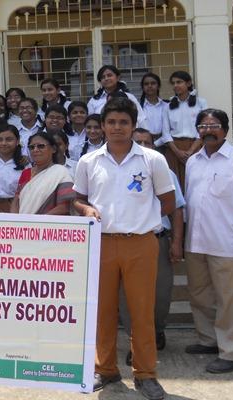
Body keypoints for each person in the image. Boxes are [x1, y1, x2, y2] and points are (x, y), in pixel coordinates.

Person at [73, 98, 175, 400]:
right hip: (101, 243)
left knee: (142, 312)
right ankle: (105, 369)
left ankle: (145, 374)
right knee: (102, 311)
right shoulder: (89, 161)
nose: (117, 127)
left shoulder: (152, 159)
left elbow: (168, 202)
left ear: (133, 125)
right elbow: (78, 199)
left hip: (141, 243)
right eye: (111, 122)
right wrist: (85, 209)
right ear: (103, 126)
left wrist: (142, 220)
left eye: (123, 122)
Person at [184, 108, 233, 373]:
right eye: (203, 127)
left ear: (225, 130)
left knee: (230, 299)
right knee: (200, 295)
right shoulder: (193, 162)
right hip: (196, 241)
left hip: (227, 241)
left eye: (214, 125)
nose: (208, 131)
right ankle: (208, 340)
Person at [119, 128, 185, 366]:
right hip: (125, 239)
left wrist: (176, 242)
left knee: (160, 292)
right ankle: (135, 341)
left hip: (157, 238)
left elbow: (176, 208)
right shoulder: (119, 170)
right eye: (139, 142)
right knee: (127, 296)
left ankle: (156, 331)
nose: (144, 146)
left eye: (148, 142)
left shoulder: (164, 169)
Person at [162, 71, 207, 190]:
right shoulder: (168, 106)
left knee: (196, 183)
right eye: (173, 83)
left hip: (195, 146)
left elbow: (203, 127)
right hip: (174, 149)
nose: (175, 85)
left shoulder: (200, 103)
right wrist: (177, 152)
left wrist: (191, 150)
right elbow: (166, 133)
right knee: (175, 185)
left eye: (179, 82)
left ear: (188, 83)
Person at [10, 131, 74, 215]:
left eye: (41, 146)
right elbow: (16, 201)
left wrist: (38, 220)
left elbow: (64, 207)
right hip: (23, 222)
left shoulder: (61, 173)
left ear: (53, 149)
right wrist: (16, 219)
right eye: (32, 147)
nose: (35, 150)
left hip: (48, 222)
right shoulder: (26, 172)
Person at [0, 124, 29, 212]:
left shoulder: (24, 164)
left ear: (18, 141)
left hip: (15, 208)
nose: (4, 143)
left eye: (9, 139)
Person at [138, 73, 169, 147]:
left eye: (153, 83)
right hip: (144, 144)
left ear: (158, 86)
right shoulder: (138, 107)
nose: (150, 86)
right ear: (143, 87)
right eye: (146, 84)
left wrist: (155, 144)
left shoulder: (167, 106)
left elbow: (169, 129)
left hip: (165, 145)